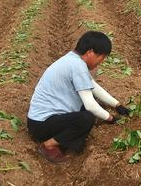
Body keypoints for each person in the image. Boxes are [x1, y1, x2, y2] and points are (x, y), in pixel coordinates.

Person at [26, 31, 130, 163]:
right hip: (41, 125)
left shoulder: (73, 60)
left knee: (90, 108)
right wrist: (111, 118)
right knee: (87, 118)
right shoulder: (77, 66)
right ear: (90, 52)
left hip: (40, 121)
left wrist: (117, 105)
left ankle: (69, 142)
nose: (102, 62)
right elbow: (90, 105)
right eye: (102, 57)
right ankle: (49, 145)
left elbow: (94, 87)